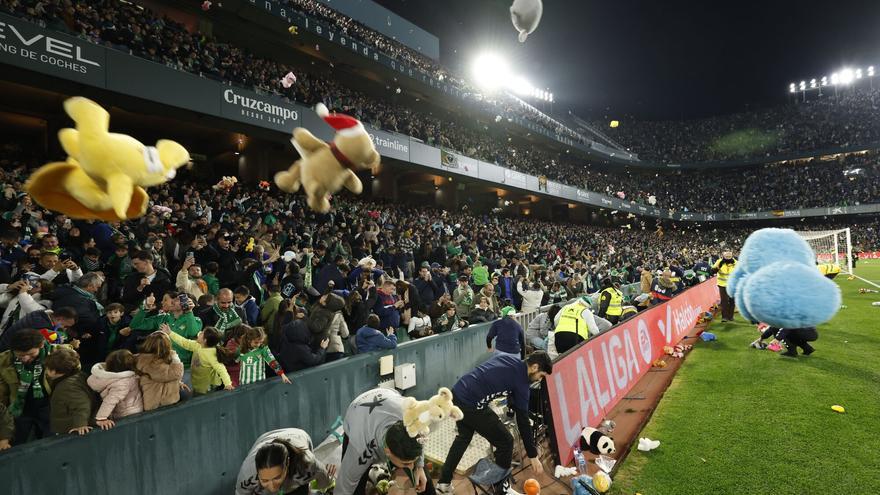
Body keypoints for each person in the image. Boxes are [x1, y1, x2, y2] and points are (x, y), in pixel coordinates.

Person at [436, 352, 552, 495]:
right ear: (534, 367)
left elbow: (497, 379)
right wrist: (532, 455)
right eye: (541, 376)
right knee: (506, 441)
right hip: (471, 404)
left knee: (463, 438)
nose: (539, 380)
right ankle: (501, 489)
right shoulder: (521, 382)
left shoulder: (509, 358)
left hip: (458, 392)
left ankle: (443, 484)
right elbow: (523, 421)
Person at [338, 388, 435, 495]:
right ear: (387, 451)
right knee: (356, 487)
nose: (412, 467)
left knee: (424, 480)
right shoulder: (360, 449)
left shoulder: (411, 418)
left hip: (387, 395)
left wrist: (420, 466)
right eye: (406, 463)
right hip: (357, 413)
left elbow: (418, 438)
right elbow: (343, 488)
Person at [0, 330, 59, 443]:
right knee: (17, 442)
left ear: (41, 345)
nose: (26, 359)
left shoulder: (58, 354)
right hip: (19, 409)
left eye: (31, 354)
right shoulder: (3, 361)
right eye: (20, 355)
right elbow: (1, 391)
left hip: (49, 406)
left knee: (52, 441)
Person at [235, 428, 335, 495]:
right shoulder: (247, 474)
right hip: (265, 439)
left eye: (277, 477)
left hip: (298, 436)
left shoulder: (306, 464)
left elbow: (325, 482)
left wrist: (322, 487)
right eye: (265, 480)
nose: (272, 487)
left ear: (287, 464)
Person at [162, 326, 235, 394]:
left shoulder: (210, 354)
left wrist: (228, 384)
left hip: (206, 388)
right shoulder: (198, 345)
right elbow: (184, 342)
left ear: (205, 340)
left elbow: (221, 369)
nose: (200, 332)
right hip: (197, 383)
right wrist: (170, 333)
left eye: (202, 333)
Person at [43, 347, 96, 436]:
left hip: (67, 429)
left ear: (54, 371)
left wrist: (80, 425)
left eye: (47, 368)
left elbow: (81, 405)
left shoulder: (67, 386)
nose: (46, 371)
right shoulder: (77, 375)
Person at [87, 349, 144, 430]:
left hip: (120, 411)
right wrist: (101, 418)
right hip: (128, 414)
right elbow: (111, 400)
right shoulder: (124, 382)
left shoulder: (104, 377)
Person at [135, 332, 185, 411]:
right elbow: (176, 373)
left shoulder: (140, 360)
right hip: (163, 406)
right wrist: (174, 356)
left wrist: (178, 383)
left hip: (151, 404)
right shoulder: (154, 364)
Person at [711, 250, 737, 321]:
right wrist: (718, 266)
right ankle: (724, 317)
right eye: (726, 257)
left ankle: (730, 316)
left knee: (732, 301)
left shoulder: (735, 263)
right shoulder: (719, 261)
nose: (728, 258)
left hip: (732, 285)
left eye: (729, 257)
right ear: (723, 256)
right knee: (724, 301)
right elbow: (712, 271)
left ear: (732, 256)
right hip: (722, 285)